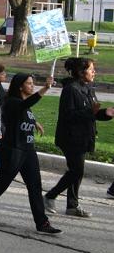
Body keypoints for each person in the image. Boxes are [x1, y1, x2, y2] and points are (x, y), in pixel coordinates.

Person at [0, 73, 61, 234]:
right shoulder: (12, 102)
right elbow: (21, 107)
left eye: (33, 83)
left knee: (35, 186)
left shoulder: (23, 105)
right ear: (20, 86)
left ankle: (42, 223)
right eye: (29, 83)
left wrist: (34, 122)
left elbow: (23, 112)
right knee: (2, 182)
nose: (32, 86)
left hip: (28, 150)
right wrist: (45, 88)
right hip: (13, 150)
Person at [45, 57, 114, 217]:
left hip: (84, 137)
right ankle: (50, 196)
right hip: (70, 137)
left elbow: (93, 114)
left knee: (77, 171)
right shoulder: (71, 89)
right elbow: (68, 115)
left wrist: (106, 113)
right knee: (76, 171)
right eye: (91, 70)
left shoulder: (89, 88)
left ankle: (72, 206)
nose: (94, 72)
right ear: (81, 72)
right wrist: (91, 112)